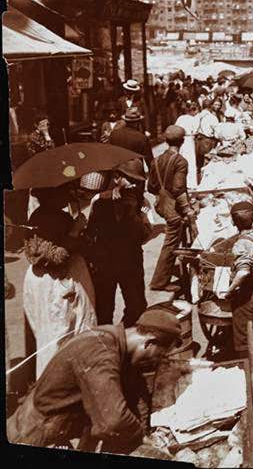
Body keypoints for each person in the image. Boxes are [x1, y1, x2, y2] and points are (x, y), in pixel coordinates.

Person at [7, 307, 181, 454]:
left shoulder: (117, 340)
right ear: (149, 343)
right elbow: (113, 421)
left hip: (62, 424)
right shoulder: (101, 353)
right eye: (160, 355)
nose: (156, 361)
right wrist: (141, 438)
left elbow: (136, 389)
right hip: (36, 432)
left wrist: (144, 429)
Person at [23, 185, 96, 377]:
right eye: (64, 192)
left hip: (58, 282)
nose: (69, 196)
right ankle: (55, 386)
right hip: (53, 285)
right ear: (51, 196)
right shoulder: (42, 221)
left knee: (68, 333)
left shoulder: (57, 215)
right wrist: (75, 231)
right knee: (56, 336)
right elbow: (56, 257)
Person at [85, 159, 149, 327]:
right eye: (131, 180)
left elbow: (144, 236)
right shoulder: (99, 201)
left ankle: (124, 334)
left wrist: (138, 213)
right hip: (106, 262)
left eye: (137, 182)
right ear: (116, 177)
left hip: (131, 260)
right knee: (104, 309)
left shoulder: (140, 203)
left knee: (136, 306)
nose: (134, 186)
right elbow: (91, 233)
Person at [209, 201, 253, 358]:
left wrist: (229, 291)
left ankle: (248, 374)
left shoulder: (241, 244)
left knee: (243, 340)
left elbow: (243, 272)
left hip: (247, 298)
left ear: (234, 222)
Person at [147, 125, 195, 293]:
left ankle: (179, 270)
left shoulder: (156, 160)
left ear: (166, 141)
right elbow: (178, 189)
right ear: (182, 141)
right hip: (174, 210)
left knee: (173, 239)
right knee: (170, 243)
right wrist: (188, 209)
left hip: (162, 205)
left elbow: (151, 187)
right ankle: (159, 282)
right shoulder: (181, 161)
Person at [174, 101, 200, 189]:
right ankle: (191, 183)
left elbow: (176, 128)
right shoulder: (194, 119)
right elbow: (196, 131)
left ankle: (181, 182)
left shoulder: (180, 118)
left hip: (181, 140)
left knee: (181, 161)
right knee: (191, 161)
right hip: (189, 140)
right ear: (192, 110)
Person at [194, 98, 220, 177]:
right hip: (208, 142)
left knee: (198, 163)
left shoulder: (197, 116)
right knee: (208, 163)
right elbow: (217, 134)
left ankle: (198, 179)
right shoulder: (212, 118)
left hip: (198, 141)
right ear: (211, 106)